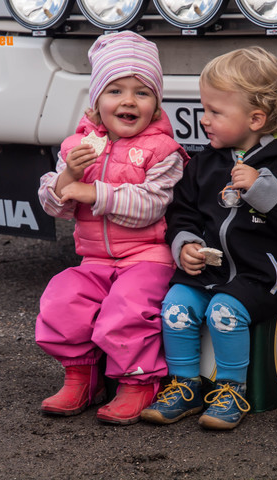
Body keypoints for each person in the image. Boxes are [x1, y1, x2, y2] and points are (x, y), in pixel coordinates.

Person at [141, 46, 277, 430]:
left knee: (224, 313)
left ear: (256, 118)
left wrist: (262, 189)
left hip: (262, 277)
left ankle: (231, 390)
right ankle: (185, 384)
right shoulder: (206, 161)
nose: (204, 119)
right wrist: (186, 244)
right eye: (203, 108)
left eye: (215, 112)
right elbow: (183, 211)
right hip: (211, 271)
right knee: (175, 306)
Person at [35, 31, 189, 425]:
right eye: (115, 90)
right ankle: (81, 376)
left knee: (127, 311)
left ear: (156, 106)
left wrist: (91, 190)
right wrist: (68, 174)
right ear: (96, 102)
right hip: (95, 261)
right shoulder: (78, 148)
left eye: (142, 92)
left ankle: (138, 383)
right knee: (62, 299)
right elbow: (55, 205)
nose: (128, 101)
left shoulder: (162, 152)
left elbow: (151, 205)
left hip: (146, 259)